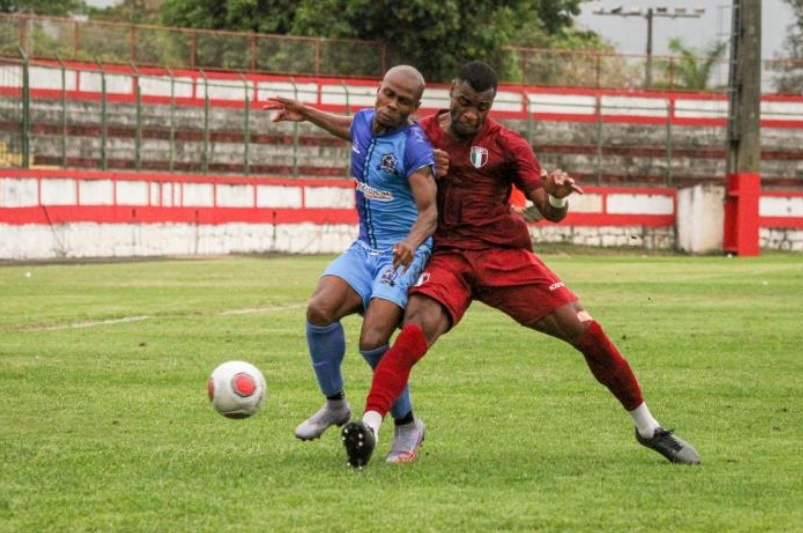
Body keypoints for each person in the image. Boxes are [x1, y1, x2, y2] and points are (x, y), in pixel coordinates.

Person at [340, 60, 701, 468]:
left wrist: (558, 195)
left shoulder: (509, 145)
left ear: (491, 105)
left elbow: (548, 209)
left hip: (504, 256)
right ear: (451, 95)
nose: (471, 114)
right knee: (416, 327)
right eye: (464, 103)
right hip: (448, 258)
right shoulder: (419, 133)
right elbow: (367, 140)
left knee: (588, 331)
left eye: (481, 106)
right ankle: (369, 426)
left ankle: (649, 429)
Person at [263, 65, 438, 464]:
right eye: (388, 94)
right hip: (365, 248)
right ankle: (336, 405)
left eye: (403, 101)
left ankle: (408, 424)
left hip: (401, 251)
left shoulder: (412, 146)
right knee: (319, 309)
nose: (392, 105)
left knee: (373, 340)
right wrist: (305, 112)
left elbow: (430, 212)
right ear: (378, 90)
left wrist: (411, 244)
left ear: (415, 107)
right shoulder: (364, 121)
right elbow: (349, 127)